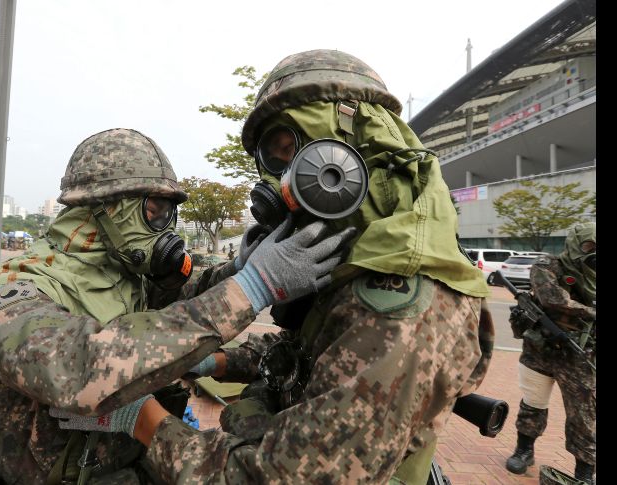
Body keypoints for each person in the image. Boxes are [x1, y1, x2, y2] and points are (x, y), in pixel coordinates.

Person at [115, 49, 494, 485]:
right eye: (272, 161)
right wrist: (216, 363)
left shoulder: (401, 304)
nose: (282, 180)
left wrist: (145, 421)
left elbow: (274, 477)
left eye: (288, 150)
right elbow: (310, 352)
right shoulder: (365, 255)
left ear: (348, 149)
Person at [0, 128, 354, 484]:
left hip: (128, 464)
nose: (165, 228)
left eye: (170, 212)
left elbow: (171, 314)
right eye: (154, 212)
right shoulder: (14, 289)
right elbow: (78, 367)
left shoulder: (120, 274)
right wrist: (250, 288)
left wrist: (236, 270)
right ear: (104, 207)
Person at [505, 222, 596, 484]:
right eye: (588, 246)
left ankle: (585, 472)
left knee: (584, 414)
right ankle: (524, 451)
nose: (592, 253)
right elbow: (553, 299)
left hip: (582, 357)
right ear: (574, 244)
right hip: (541, 349)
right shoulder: (548, 265)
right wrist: (590, 311)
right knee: (533, 403)